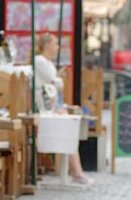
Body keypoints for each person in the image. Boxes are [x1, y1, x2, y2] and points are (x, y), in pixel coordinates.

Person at [33, 33, 95, 186]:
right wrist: (58, 80)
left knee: (70, 125)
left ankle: (76, 172)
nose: (57, 47)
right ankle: (76, 172)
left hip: (51, 106)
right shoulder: (40, 61)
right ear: (47, 45)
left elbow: (57, 83)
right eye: (55, 43)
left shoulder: (47, 63)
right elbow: (56, 83)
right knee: (69, 127)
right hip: (44, 108)